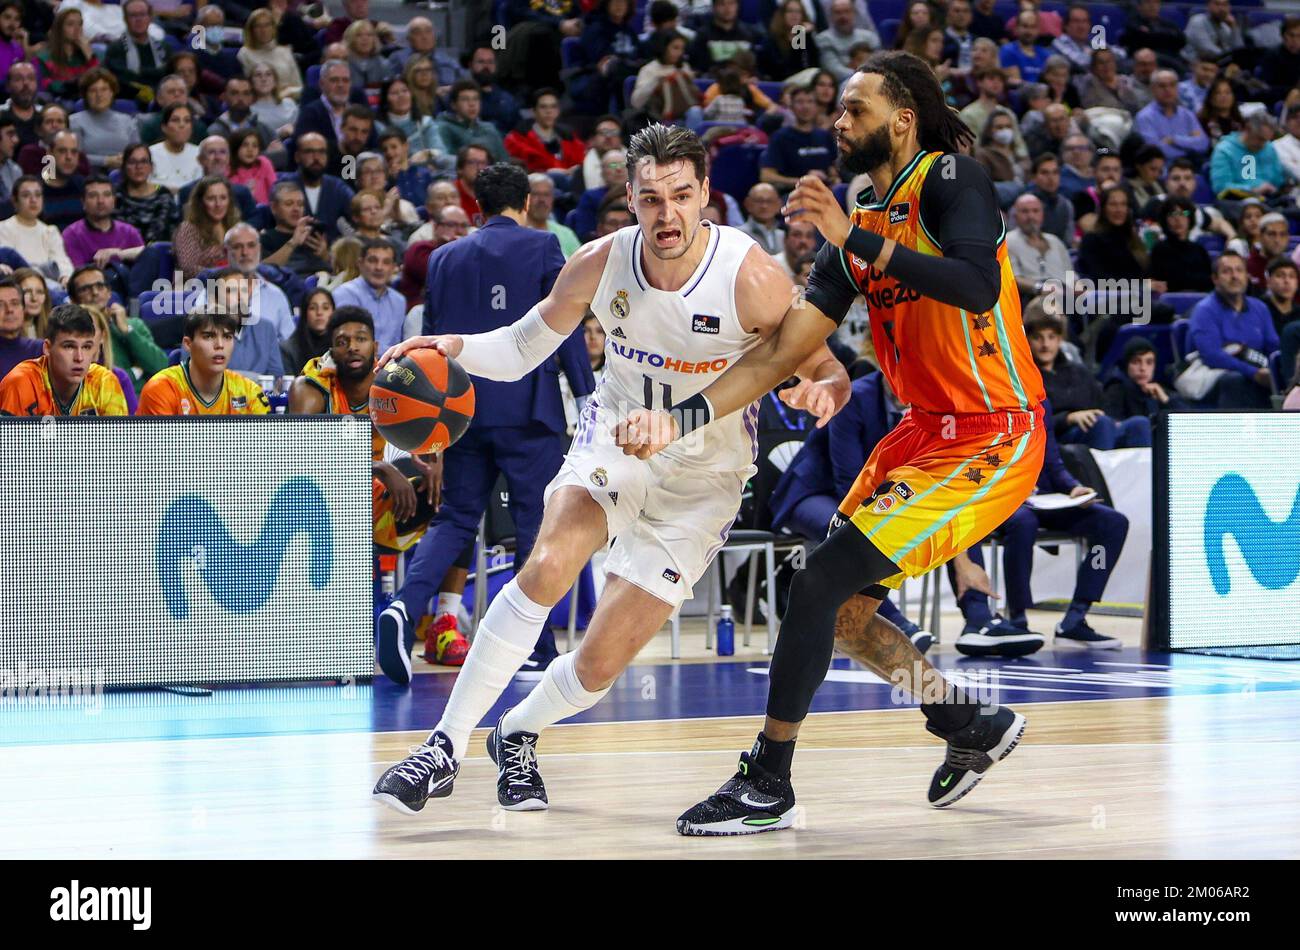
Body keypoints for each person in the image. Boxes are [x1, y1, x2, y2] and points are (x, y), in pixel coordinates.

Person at [608, 53, 1046, 833]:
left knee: (815, 583)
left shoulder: (950, 180)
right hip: (918, 433)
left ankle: (768, 778)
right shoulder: (857, 230)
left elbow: (977, 285)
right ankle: (965, 725)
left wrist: (860, 242)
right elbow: (778, 356)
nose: (838, 122)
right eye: (837, 111)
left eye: (854, 109)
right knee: (840, 612)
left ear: (901, 117)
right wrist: (679, 419)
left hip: (994, 431)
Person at [370, 131, 849, 814]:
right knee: (547, 565)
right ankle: (441, 746)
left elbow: (823, 364)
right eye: (651, 198)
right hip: (615, 440)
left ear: (706, 195)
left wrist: (823, 387)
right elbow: (522, 345)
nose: (667, 214)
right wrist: (451, 345)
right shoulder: (599, 261)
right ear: (629, 198)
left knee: (598, 664)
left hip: (705, 479)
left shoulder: (751, 275)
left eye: (681, 195)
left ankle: (517, 731)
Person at [372, 162, 601, 686]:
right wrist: (587, 393)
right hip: (529, 410)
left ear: (476, 208)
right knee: (534, 526)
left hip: (459, 411)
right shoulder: (544, 247)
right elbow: (563, 327)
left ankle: (404, 607)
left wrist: (425, 434)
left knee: (455, 518)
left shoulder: (444, 258)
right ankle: (535, 647)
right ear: (525, 204)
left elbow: (429, 344)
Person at [767, 369, 934, 651]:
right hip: (814, 491)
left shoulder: (928, 405)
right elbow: (848, 477)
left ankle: (978, 618)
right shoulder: (855, 397)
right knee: (847, 534)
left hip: (872, 495)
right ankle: (894, 621)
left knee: (930, 521)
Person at [954, 403, 1129, 654]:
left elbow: (1053, 462)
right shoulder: (984, 399)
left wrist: (1073, 488)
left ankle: (1076, 617)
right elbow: (973, 464)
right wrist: (1010, 489)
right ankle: (1018, 619)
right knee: (1024, 521)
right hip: (997, 498)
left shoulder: (1039, 400)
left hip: (1042, 498)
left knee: (1112, 523)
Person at [1028, 311, 1150, 449]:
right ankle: (1100, 471)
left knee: (1139, 424)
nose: (1045, 345)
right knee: (1101, 424)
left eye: (1051, 337)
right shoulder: (1025, 377)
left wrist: (1113, 421)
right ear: (1027, 340)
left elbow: (1102, 404)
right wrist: (1068, 418)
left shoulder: (1078, 371)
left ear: (1059, 340)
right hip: (1060, 436)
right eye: (1038, 338)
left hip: (1095, 425)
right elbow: (1029, 422)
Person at [1183, 252, 1279, 409]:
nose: (1235, 276)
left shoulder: (1260, 308)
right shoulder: (1204, 310)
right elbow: (1212, 356)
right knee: (1235, 380)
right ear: (1215, 279)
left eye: (1239, 270)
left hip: (1256, 369)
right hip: (1217, 376)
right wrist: (1253, 373)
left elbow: (1273, 346)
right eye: (1227, 271)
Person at [137, 306, 271, 416]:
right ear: (188, 344)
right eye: (208, 336)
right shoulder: (161, 389)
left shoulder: (249, 391)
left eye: (227, 337)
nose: (220, 345)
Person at [0, 301, 127, 416]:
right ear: (47, 348)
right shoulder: (21, 383)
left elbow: (119, 441)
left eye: (86, 347)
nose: (79, 357)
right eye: (69, 346)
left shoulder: (103, 382)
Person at [67, 262, 166, 393]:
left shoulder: (134, 325)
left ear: (109, 292)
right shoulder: (69, 333)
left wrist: (127, 331)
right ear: (73, 300)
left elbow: (161, 367)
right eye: (86, 289)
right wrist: (133, 373)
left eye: (100, 286)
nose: (95, 292)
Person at [329, 238, 404, 353]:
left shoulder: (399, 301)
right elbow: (347, 344)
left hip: (391, 366)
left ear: (394, 267)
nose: (379, 267)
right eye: (373, 260)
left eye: (386, 262)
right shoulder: (345, 294)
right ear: (360, 263)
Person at [760, 85, 838, 191]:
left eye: (810, 102)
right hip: (795, 193)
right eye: (800, 102)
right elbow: (766, 176)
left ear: (817, 107)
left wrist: (834, 178)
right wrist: (803, 181)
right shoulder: (780, 137)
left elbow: (832, 169)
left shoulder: (824, 136)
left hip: (825, 191)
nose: (805, 106)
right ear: (791, 107)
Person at [61, 176, 145, 271]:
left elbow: (146, 258)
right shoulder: (72, 234)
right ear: (83, 202)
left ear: (114, 201)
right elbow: (78, 276)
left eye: (107, 195)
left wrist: (119, 253)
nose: (101, 201)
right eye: (93, 196)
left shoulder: (129, 231)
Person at [0, 176, 74, 283]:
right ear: (15, 201)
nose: (33, 200)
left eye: (38, 195)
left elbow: (62, 261)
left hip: (49, 284)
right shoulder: (3, 228)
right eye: (26, 195)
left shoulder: (50, 231)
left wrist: (65, 277)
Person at [283, 133, 354, 242]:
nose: (316, 158)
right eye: (309, 152)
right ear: (297, 157)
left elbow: (358, 210)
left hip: (330, 254)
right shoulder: (283, 186)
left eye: (321, 152)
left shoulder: (337, 187)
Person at [1135, 70, 1210, 166]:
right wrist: (1189, 144)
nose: (1168, 90)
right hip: (1163, 169)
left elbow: (1203, 144)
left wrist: (1174, 140)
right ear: (1152, 89)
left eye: (1172, 85)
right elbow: (1155, 151)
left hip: (1192, 165)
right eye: (1162, 86)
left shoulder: (1187, 115)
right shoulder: (1144, 117)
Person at [1006, 193, 1070, 303]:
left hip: (1065, 293)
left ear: (1042, 215)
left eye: (1035, 211)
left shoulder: (1055, 241)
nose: (1031, 216)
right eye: (1025, 211)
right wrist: (1040, 288)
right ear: (1015, 216)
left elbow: (1070, 274)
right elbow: (1011, 278)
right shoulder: (1008, 241)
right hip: (1032, 295)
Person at [70, 68, 140, 170]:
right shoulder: (74, 121)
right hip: (89, 174)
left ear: (112, 92)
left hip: (125, 173)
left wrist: (126, 160)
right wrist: (105, 161)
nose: (99, 95)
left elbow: (138, 153)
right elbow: (74, 157)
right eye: (93, 90)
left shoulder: (127, 120)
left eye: (104, 89)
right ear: (85, 95)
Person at [1102, 335, 1184, 422]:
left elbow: (1187, 424)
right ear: (1126, 365)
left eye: (1149, 362)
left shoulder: (1159, 391)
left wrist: (1166, 400)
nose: (1143, 368)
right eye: (1136, 362)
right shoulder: (1115, 391)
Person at [113, 143, 180, 246]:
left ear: (151, 167)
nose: (139, 167)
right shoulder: (115, 195)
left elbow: (173, 233)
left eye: (144, 161)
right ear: (124, 167)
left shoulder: (163, 195)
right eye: (132, 162)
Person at [174, 176, 238, 281]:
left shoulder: (235, 228)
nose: (218, 204)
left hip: (234, 286)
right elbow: (188, 269)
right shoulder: (188, 229)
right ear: (200, 202)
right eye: (211, 198)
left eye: (223, 198)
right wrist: (222, 274)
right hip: (196, 289)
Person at [1149, 196, 1214, 293]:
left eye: (1184, 213)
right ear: (1165, 219)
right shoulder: (1159, 250)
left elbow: (1210, 282)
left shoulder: (1199, 250)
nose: (1178, 219)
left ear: (1190, 218)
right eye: (1172, 214)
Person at [238, 6, 303, 100]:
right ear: (251, 30)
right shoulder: (245, 54)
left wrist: (288, 92)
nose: (263, 30)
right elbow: (249, 90)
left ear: (273, 28)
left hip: (291, 102)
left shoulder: (284, 51)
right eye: (258, 26)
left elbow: (299, 86)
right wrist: (283, 94)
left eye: (267, 25)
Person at [817, 0, 881, 84]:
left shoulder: (870, 37)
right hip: (839, 85)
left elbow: (879, 64)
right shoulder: (823, 39)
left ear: (854, 14)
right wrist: (863, 75)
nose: (843, 16)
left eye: (847, 11)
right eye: (838, 12)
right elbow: (833, 70)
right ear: (831, 16)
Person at [148, 103, 202, 193]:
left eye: (187, 121)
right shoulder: (150, 154)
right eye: (175, 120)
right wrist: (165, 190)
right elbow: (145, 186)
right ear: (164, 127)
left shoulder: (200, 154)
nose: (182, 125)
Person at [281, 287, 334, 376]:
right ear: (305, 313)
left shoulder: (340, 347)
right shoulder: (288, 349)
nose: (319, 312)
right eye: (313, 308)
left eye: (325, 308)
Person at [0, 277, 42, 382]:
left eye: (14, 303)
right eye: (0, 305)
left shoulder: (40, 349)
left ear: (23, 309)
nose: (9, 310)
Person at [737, 182, 785, 254]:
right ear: (747, 204)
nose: (764, 206)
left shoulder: (784, 237)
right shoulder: (738, 234)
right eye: (759, 201)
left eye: (769, 201)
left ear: (779, 204)